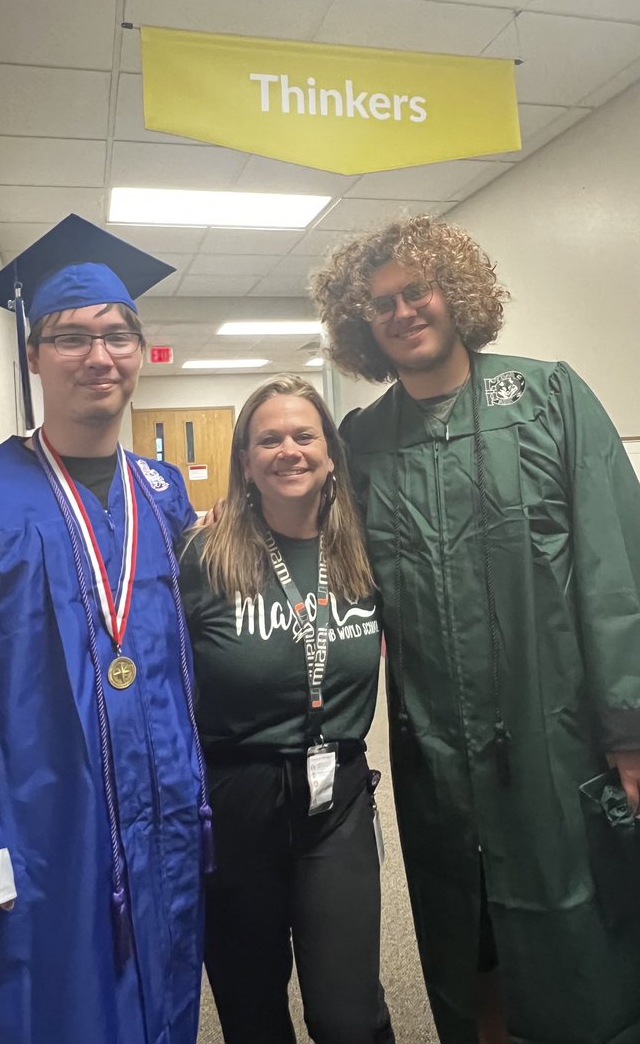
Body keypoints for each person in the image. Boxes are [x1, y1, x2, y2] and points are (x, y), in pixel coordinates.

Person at [309, 215, 640, 1044]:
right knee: (470, 932)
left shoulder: (547, 398)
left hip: (561, 735)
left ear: (455, 292)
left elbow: (617, 565)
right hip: (437, 749)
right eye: (380, 304)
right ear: (360, 326)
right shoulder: (364, 440)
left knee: (595, 937)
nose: (402, 312)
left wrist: (638, 730)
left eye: (416, 291)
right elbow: (335, 574)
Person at [0, 216, 210, 1044]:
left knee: (164, 1001)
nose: (99, 356)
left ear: (140, 351)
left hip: (162, 816)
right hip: (41, 828)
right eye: (71, 337)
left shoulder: (164, 494)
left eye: (118, 335)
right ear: (33, 355)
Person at [179, 374, 395, 1044]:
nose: (288, 451)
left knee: (348, 1014)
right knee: (252, 1012)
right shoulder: (202, 555)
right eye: (268, 439)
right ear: (245, 462)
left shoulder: (365, 549)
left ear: (330, 454)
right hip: (235, 799)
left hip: (337, 798)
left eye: (304, 436)